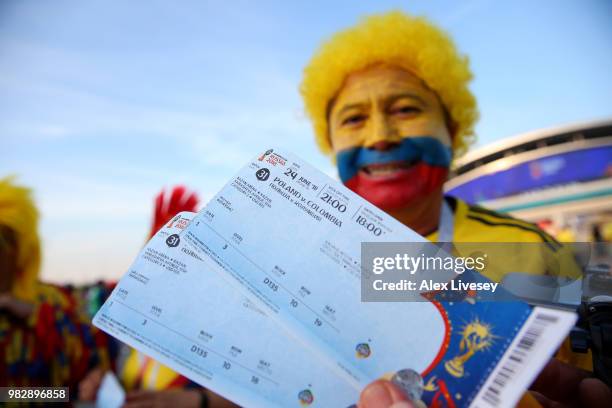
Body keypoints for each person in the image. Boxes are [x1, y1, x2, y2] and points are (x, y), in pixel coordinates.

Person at [299, 11, 610, 407]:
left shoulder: (534, 249)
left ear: (453, 130)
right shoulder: (301, 260)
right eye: (354, 119)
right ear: (331, 144)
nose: (379, 137)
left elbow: (581, 381)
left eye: (406, 110)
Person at [0, 177, 112, 397]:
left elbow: (82, 378)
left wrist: (31, 313)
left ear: (21, 248)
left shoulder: (52, 301)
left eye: (5, 241)